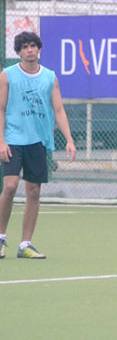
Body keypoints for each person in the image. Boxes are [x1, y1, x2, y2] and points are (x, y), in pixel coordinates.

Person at [0, 31, 76, 259]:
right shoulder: (7, 75)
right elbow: (1, 108)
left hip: (38, 141)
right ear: (19, 51)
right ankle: (1, 238)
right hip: (13, 139)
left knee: (33, 191)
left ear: (39, 49)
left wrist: (70, 139)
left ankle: (25, 244)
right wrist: (1, 140)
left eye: (33, 45)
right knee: (11, 186)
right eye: (24, 47)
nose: (29, 50)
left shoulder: (50, 77)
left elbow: (59, 110)